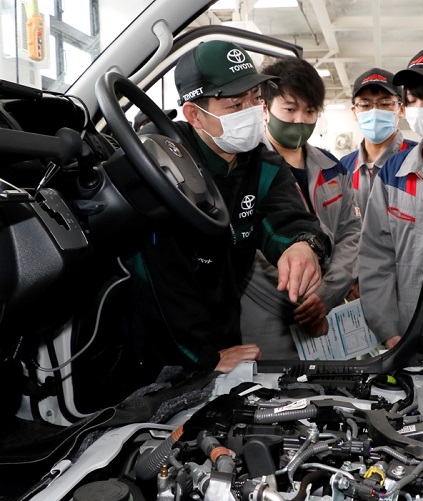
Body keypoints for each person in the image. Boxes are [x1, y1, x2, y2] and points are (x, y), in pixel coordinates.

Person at [121, 41, 331, 384]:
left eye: (255, 99)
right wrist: (203, 358)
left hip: (223, 333)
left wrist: (303, 245)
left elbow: (285, 217)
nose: (251, 112)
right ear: (194, 114)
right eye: (235, 104)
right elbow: (160, 277)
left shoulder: (262, 164)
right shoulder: (161, 166)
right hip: (161, 350)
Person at [239, 57, 361, 359]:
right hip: (266, 312)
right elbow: (253, 243)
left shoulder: (332, 168)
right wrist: (305, 292)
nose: (300, 121)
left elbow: (351, 232)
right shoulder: (247, 169)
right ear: (266, 108)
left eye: (310, 112)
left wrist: (326, 293)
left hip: (325, 309)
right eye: (290, 109)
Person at [357, 48, 423, 350]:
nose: (421, 109)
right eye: (413, 100)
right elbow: (376, 258)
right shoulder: (393, 176)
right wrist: (388, 331)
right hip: (405, 333)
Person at [340, 68, 417, 219]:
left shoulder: (418, 159)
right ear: (354, 112)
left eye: (385, 103)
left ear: (401, 110)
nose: (374, 111)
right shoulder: (344, 167)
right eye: (365, 105)